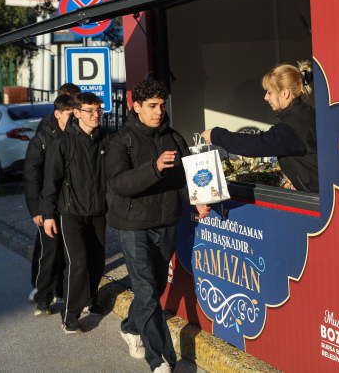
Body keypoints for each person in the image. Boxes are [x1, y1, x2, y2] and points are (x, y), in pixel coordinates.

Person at [106, 79, 211, 373]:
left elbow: (186, 177)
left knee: (156, 289)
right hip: (133, 226)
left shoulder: (173, 138)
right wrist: (153, 168)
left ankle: (130, 327)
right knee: (147, 291)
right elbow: (119, 183)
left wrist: (198, 200)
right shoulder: (121, 141)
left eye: (162, 105)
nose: (159, 111)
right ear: (136, 106)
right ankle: (161, 360)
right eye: (152, 106)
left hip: (165, 224)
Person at [40, 92, 111, 334]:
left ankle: (91, 299)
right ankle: (69, 316)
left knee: (97, 261)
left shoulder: (106, 140)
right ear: (77, 113)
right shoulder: (64, 143)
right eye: (90, 110)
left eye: (98, 110)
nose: (96, 115)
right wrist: (48, 215)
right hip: (70, 213)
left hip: (98, 211)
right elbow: (50, 181)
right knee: (77, 263)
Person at [201, 60, 319, 192]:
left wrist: (216, 135)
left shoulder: (292, 126)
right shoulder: (305, 114)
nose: (265, 97)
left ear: (284, 93)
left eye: (269, 92)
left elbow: (255, 144)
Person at [27, 82, 82, 303]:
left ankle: (61, 289)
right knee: (47, 248)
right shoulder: (44, 133)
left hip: (70, 201)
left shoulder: (78, 131)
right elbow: (33, 175)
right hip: (47, 201)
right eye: (70, 104)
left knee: (67, 249)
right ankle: (40, 288)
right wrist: (37, 209)